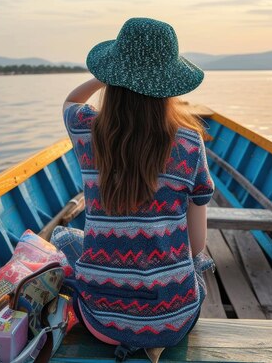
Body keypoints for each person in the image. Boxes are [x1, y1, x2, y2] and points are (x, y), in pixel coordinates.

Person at [52, 17, 215, 355]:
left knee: (63, 238)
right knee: (199, 263)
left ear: (112, 78)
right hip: (174, 319)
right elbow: (196, 245)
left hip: (101, 321)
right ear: (170, 84)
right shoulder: (189, 144)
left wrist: (107, 74)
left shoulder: (88, 131)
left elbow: (70, 103)